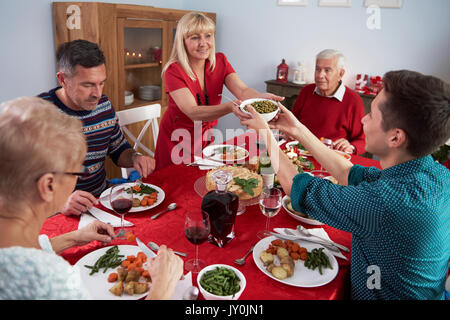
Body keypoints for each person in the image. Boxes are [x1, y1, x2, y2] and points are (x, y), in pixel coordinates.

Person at [242, 70, 450, 299]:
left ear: (395, 138)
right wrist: (297, 129)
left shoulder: (386, 202)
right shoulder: (436, 174)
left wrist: (265, 134)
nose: (363, 118)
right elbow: (347, 172)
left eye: (371, 114)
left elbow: (297, 187)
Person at [0, 97, 183, 300]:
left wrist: (72, 238)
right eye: (77, 172)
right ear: (48, 185)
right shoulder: (51, 280)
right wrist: (162, 286)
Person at [38, 40, 155, 216]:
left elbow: (118, 149)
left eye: (101, 83)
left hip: (102, 202)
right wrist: (60, 203)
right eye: (88, 85)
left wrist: (135, 157)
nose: (97, 94)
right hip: (57, 214)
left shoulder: (104, 105)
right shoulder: (37, 115)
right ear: (62, 79)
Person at [154, 12, 283, 171]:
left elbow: (242, 90)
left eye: (208, 35)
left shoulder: (220, 61)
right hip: (176, 141)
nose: (203, 43)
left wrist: (259, 98)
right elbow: (193, 112)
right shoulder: (173, 71)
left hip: (205, 140)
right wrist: (230, 107)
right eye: (195, 37)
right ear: (182, 42)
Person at [291, 49, 366, 155]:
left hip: (332, 158)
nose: (320, 75)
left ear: (340, 74)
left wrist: (351, 147)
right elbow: (292, 122)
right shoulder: (306, 91)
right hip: (300, 152)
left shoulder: (353, 100)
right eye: (317, 69)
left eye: (327, 70)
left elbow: (362, 140)